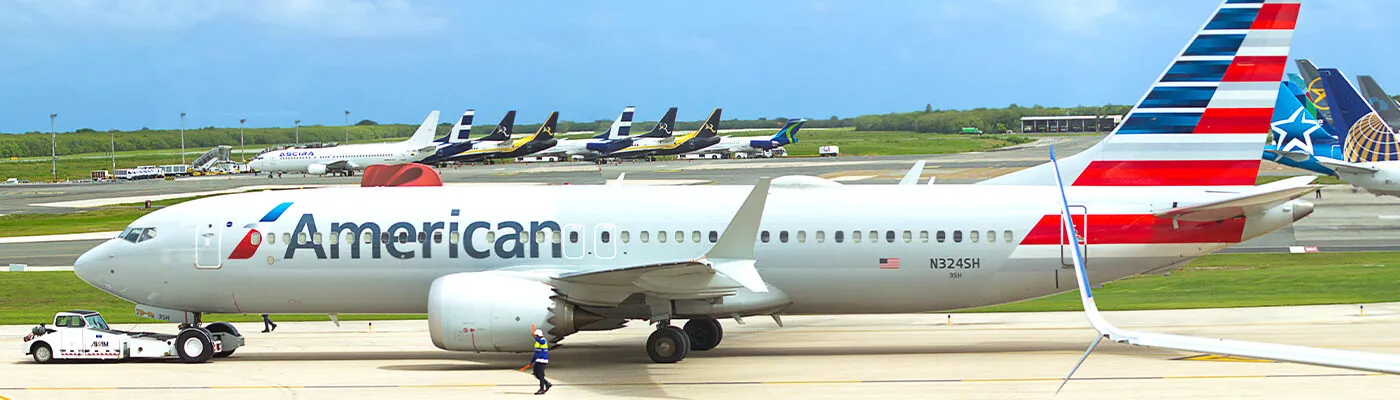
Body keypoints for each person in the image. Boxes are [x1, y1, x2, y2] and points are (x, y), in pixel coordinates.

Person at [526, 329, 552, 395]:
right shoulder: (537, 342)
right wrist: (531, 362)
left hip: (542, 360)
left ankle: (542, 389)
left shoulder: (543, 340)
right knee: (536, 373)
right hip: (538, 360)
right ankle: (546, 383)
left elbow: (541, 342)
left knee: (540, 374)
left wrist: (535, 337)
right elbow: (535, 354)